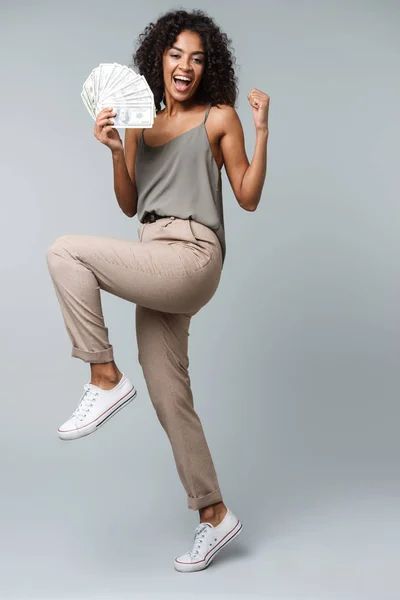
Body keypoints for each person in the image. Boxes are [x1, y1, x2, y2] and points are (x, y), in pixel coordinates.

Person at [46, 8, 269, 572]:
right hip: (152, 250)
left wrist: (261, 130)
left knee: (66, 251)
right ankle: (215, 515)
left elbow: (246, 196)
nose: (185, 66)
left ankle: (103, 374)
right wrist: (116, 149)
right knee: (171, 398)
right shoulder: (140, 120)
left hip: (193, 255)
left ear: (206, 66)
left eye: (196, 58)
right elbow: (129, 203)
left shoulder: (219, 117)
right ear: (159, 60)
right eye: (176, 55)